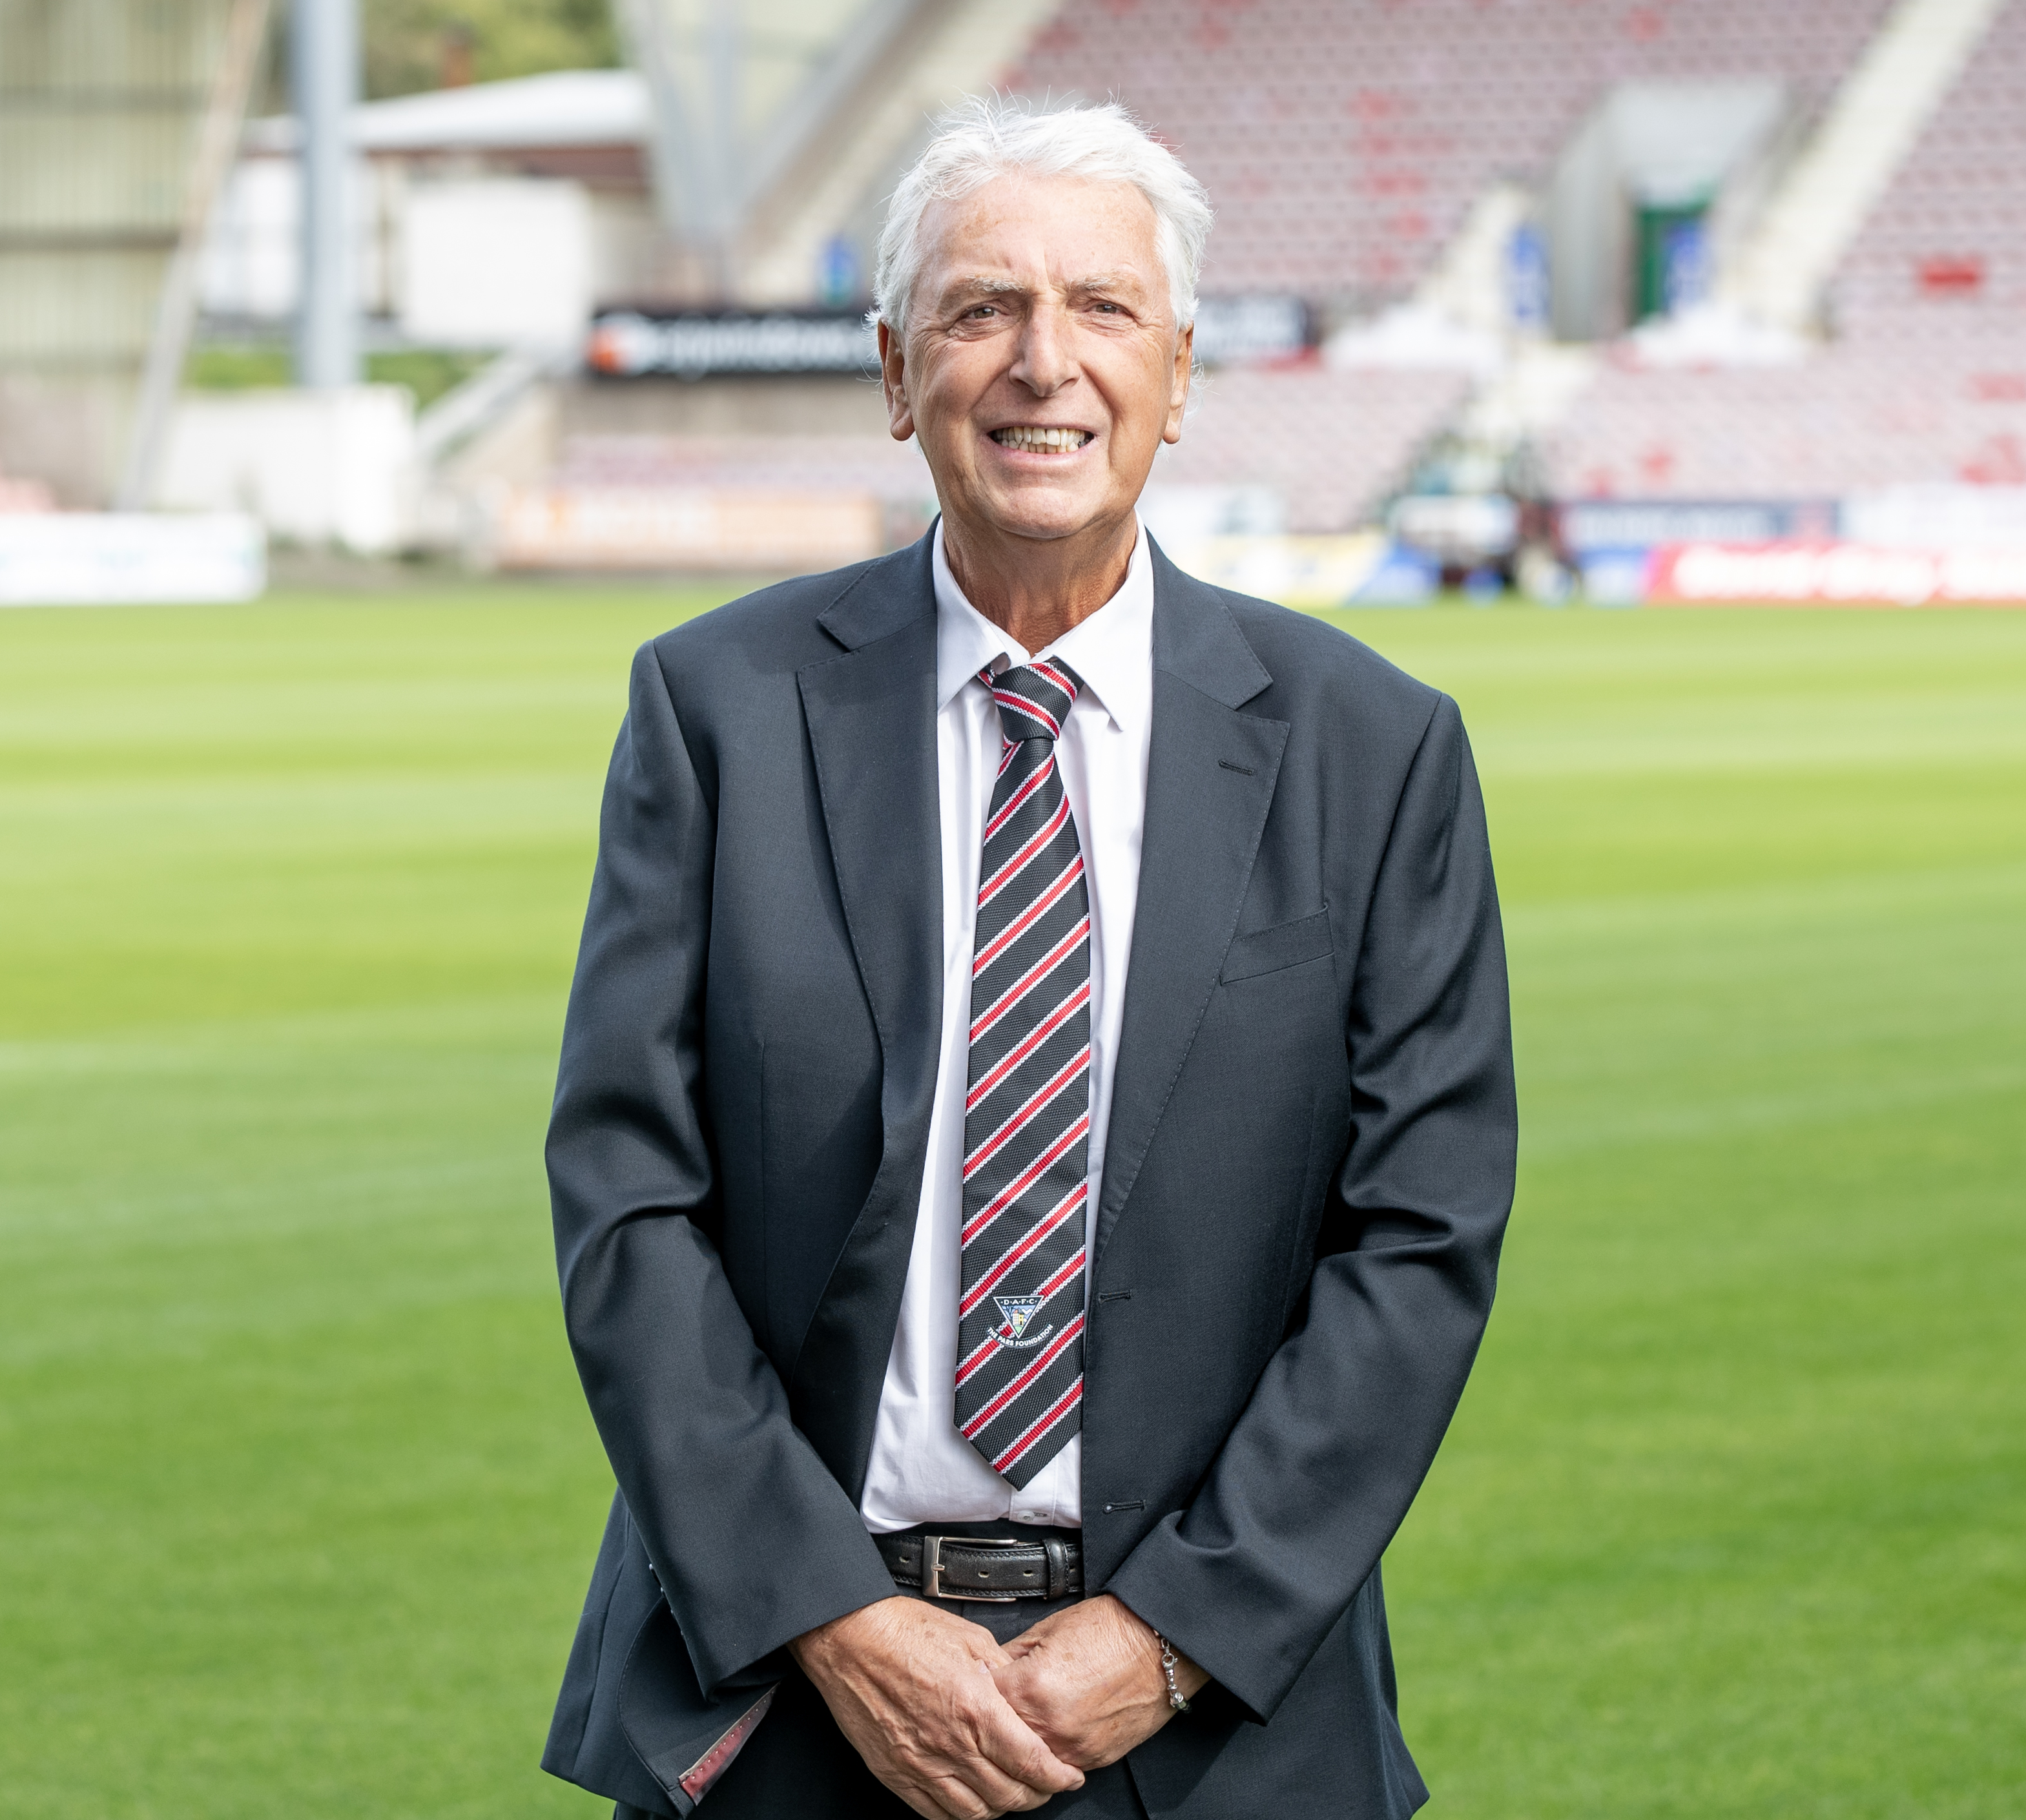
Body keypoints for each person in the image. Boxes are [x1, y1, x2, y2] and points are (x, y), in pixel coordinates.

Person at [539, 98, 1514, 1820]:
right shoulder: (718, 712)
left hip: (1218, 1728)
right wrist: (832, 1611)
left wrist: (1166, 1632)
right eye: (981, 308)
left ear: (1182, 368)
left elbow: (1419, 1236)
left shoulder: (1371, 747)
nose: (1040, 363)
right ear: (895, 368)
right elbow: (626, 1198)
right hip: (790, 1711)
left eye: (1101, 309)